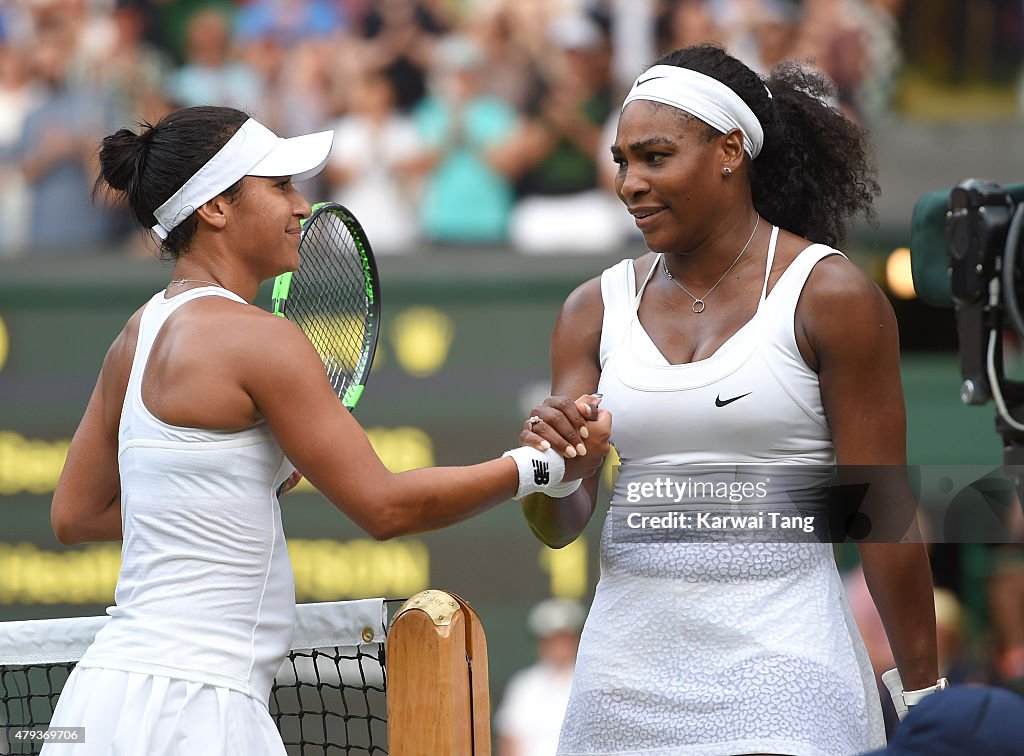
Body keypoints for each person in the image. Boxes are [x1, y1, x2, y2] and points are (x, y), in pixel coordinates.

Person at [43, 105, 610, 755]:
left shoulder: (134, 337)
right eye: (280, 186)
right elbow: (387, 507)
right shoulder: (261, 340)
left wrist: (227, 495)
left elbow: (75, 516)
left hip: (97, 705)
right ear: (214, 209)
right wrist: (542, 468)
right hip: (201, 716)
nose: (303, 207)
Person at [518, 44, 941, 755]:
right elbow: (560, 522)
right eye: (623, 161)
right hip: (622, 680)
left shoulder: (829, 295)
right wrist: (553, 468)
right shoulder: (590, 309)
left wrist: (925, 696)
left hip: (785, 668)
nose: (630, 183)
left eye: (655, 157)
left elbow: (883, 512)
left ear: (729, 150)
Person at [495, 598, 586, 756]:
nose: (559, 647)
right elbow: (508, 737)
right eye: (552, 640)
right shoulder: (524, 684)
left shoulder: (592, 682)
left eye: (565, 639)